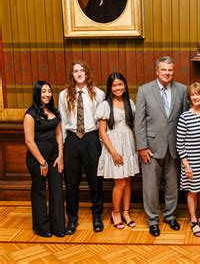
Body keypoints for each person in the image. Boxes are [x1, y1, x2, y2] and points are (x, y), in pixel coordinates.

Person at [135, 56, 188, 237]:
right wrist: (141, 147)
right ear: (157, 71)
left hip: (175, 148)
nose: (167, 73)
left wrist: (184, 148)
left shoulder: (182, 90)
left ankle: (170, 216)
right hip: (150, 148)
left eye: (170, 70)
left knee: (173, 185)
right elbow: (139, 121)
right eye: (164, 70)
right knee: (150, 187)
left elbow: (185, 119)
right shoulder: (144, 90)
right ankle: (152, 220)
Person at [58, 60, 105, 235]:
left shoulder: (98, 94)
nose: (79, 73)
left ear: (87, 73)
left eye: (82, 70)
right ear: (72, 74)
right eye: (75, 71)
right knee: (71, 181)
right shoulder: (64, 95)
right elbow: (62, 121)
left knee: (95, 180)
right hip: (71, 139)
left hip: (91, 138)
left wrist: (100, 144)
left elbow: (102, 121)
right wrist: (63, 146)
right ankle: (72, 219)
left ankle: (97, 215)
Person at [95, 72, 139, 229]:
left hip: (129, 146)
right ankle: (116, 213)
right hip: (114, 146)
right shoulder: (105, 105)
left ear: (125, 86)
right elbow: (102, 131)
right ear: (110, 88)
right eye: (114, 85)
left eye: (120, 84)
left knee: (127, 182)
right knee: (119, 183)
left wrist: (138, 147)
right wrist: (113, 152)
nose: (117, 87)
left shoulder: (130, 103)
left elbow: (133, 126)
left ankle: (126, 212)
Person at [24, 80, 65, 238]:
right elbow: (29, 141)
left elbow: (59, 134)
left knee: (56, 189)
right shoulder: (30, 114)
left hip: (55, 155)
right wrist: (42, 162)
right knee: (39, 190)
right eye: (43, 92)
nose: (47, 94)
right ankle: (42, 227)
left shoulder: (54, 111)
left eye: (49, 91)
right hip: (37, 157)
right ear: (37, 94)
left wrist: (60, 156)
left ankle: (58, 227)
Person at [176, 82, 200, 237]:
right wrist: (186, 165)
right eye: (193, 95)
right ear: (189, 98)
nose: (196, 97)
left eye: (198, 94)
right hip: (191, 162)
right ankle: (193, 220)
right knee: (192, 191)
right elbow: (180, 143)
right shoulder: (185, 117)